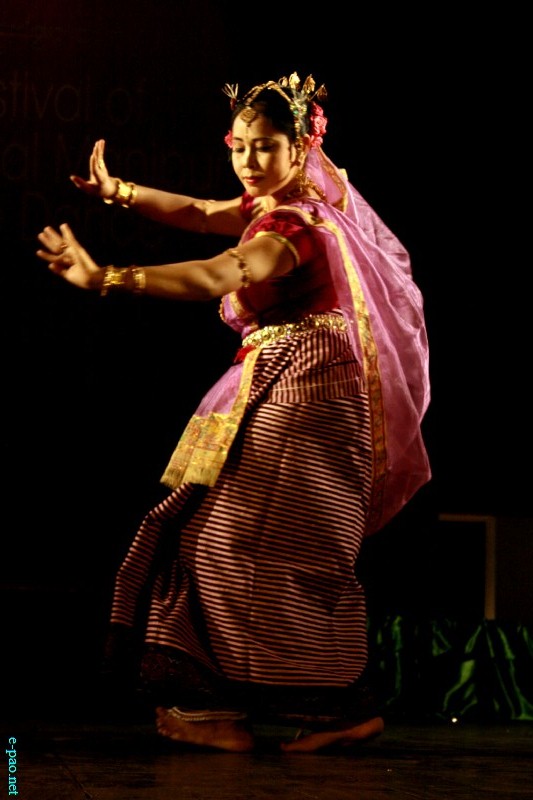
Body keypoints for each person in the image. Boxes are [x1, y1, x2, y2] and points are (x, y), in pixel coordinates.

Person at [36, 72, 431, 753]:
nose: (248, 160)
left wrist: (107, 277)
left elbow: (221, 272)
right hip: (299, 389)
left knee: (221, 543)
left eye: (266, 147)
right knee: (277, 551)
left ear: (302, 146)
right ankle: (328, 706)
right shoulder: (292, 200)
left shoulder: (290, 224)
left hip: (305, 395)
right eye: (239, 145)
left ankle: (254, 708)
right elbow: (199, 210)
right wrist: (122, 193)